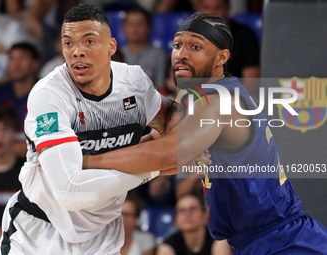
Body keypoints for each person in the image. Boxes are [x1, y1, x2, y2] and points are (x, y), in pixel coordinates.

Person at [83, 13, 327, 254]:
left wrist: (85, 161)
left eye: (196, 47)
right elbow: (153, 149)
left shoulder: (219, 101)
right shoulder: (200, 98)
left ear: (221, 57)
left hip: (284, 241)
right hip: (259, 241)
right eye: (177, 45)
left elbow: (167, 153)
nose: (181, 54)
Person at [0, 4, 183, 255]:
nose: (77, 52)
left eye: (89, 41)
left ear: (111, 47)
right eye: (68, 43)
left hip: (102, 237)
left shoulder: (134, 82)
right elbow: (70, 192)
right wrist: (152, 166)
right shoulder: (49, 95)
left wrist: (191, 113)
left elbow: (170, 126)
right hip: (39, 234)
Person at [200, 0, 260, 94]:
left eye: (217, 8)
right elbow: (174, 81)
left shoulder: (245, 35)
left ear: (228, 8)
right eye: (207, 8)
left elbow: (252, 85)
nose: (211, 13)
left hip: (233, 98)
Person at [0, 42, 40, 158]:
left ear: (35, 64)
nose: (16, 64)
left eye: (22, 58)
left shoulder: (46, 93)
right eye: (12, 59)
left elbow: (48, 141)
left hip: (35, 161)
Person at [0, 106, 24, 255]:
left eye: (6, 129)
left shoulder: (26, 172)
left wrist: (0, 234)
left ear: (15, 133)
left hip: (15, 238)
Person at [157, 194, 232, 255]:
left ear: (205, 215)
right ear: (176, 219)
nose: (187, 215)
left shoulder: (219, 239)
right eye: (182, 211)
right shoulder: (167, 246)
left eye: (193, 209)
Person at [121, 6, 167, 89]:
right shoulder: (115, 54)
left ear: (149, 28)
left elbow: (161, 87)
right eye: (130, 24)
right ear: (124, 28)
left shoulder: (158, 54)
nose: (134, 29)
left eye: (140, 24)